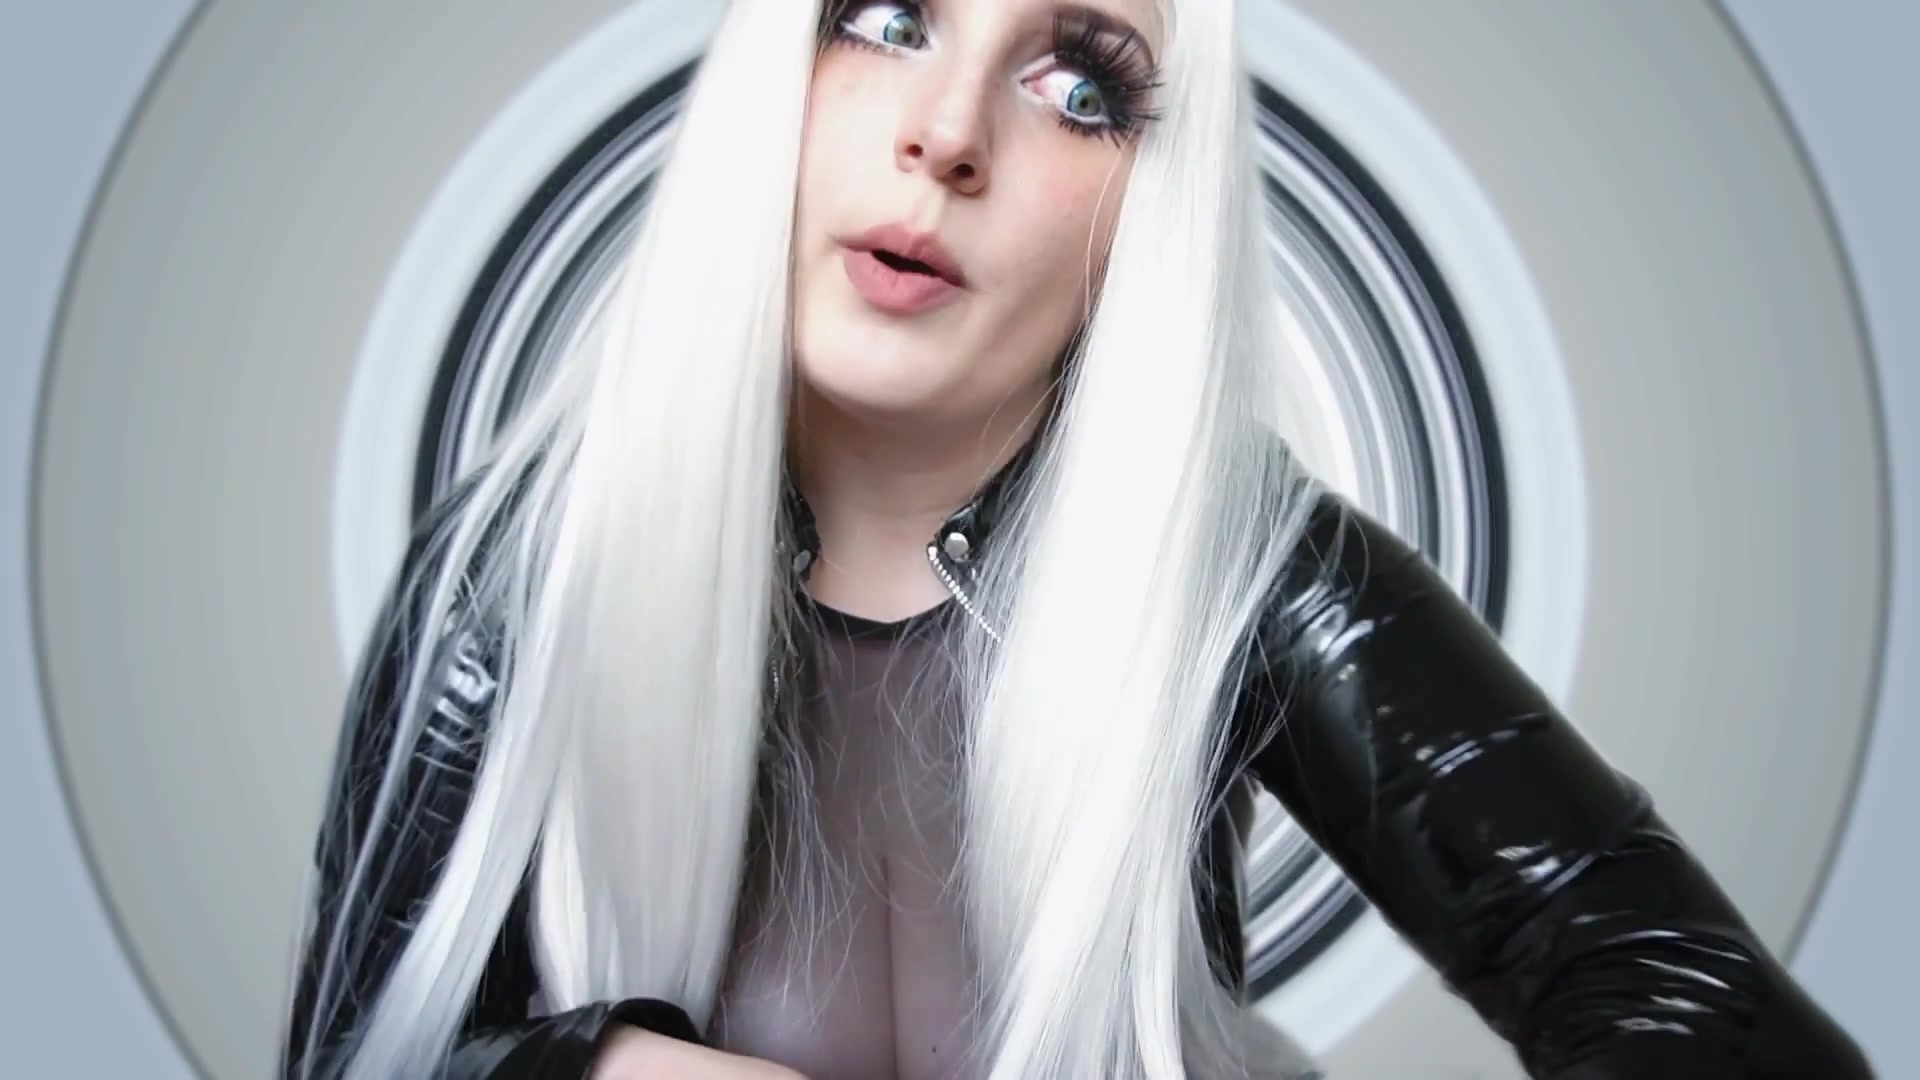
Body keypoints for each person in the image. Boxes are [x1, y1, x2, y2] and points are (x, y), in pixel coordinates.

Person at [279, 0, 1874, 1077]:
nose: (948, 133)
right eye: (888, 18)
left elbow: (1701, 1012)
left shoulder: (1244, 566)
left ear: (1149, 211)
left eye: (1080, 87)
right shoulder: (518, 574)